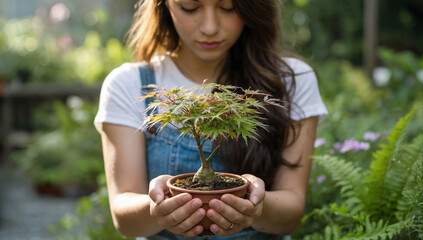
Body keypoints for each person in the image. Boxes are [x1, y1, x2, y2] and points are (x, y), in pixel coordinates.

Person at [94, 0, 328, 239]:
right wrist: (156, 209)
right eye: (189, 7)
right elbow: (124, 219)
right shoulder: (130, 85)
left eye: (228, 8)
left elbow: (292, 214)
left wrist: (259, 205)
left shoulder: (292, 80)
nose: (209, 27)